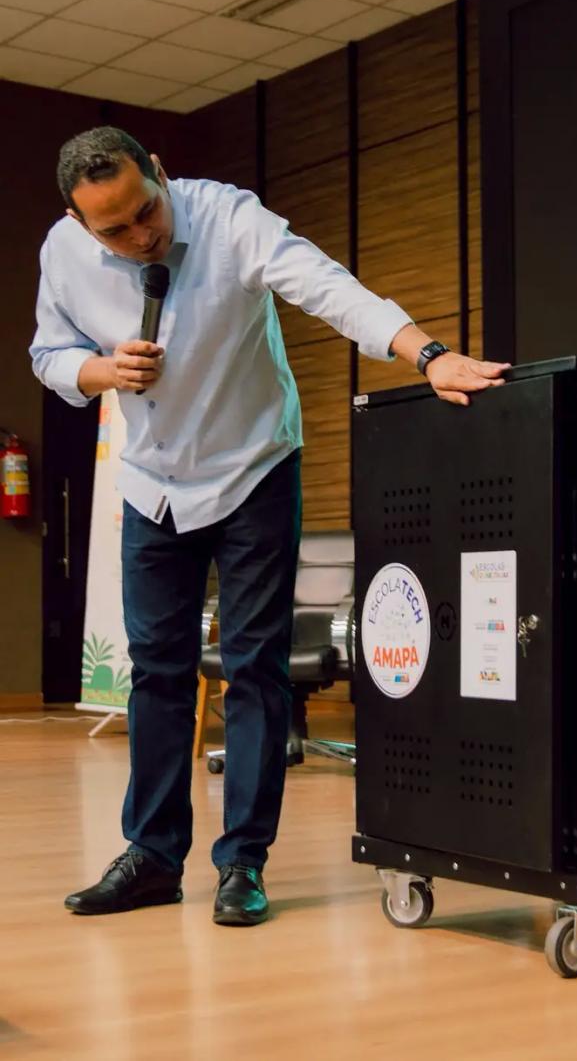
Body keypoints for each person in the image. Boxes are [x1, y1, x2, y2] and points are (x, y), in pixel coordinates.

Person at [30, 127, 509, 927]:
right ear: (81, 224)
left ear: (159, 171)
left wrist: (425, 353)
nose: (141, 235)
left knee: (256, 668)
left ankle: (242, 862)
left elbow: (327, 287)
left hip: (253, 468)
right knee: (157, 672)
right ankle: (152, 855)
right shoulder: (63, 252)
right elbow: (50, 354)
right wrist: (101, 369)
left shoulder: (229, 219)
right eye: (115, 230)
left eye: (146, 211)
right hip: (154, 486)